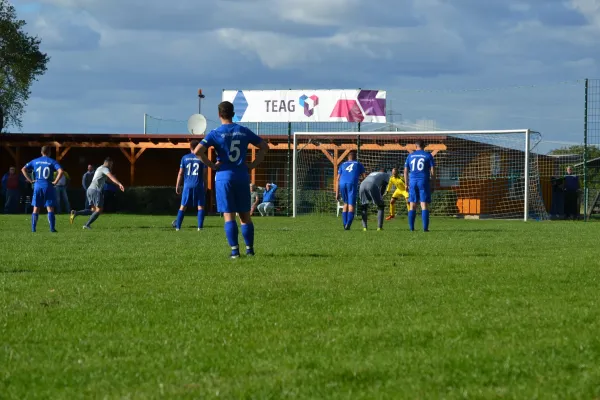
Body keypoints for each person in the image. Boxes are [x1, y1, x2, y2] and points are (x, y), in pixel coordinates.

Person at [194, 101, 269, 258]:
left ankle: (235, 251)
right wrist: (253, 164)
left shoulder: (215, 133)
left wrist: (211, 165)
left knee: (229, 215)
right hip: (242, 176)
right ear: (233, 114)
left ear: (219, 114)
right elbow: (264, 146)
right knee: (245, 215)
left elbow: (197, 151)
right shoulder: (243, 131)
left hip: (224, 177)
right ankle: (250, 250)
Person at [70, 157, 124, 229]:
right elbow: (111, 177)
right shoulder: (105, 168)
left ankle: (76, 213)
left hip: (90, 190)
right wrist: (119, 183)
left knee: (93, 210)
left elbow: (108, 180)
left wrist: (116, 184)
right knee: (99, 210)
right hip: (96, 190)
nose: (112, 166)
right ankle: (86, 225)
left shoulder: (99, 168)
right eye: (111, 164)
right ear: (108, 163)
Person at [21, 146, 64, 232]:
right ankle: (52, 229)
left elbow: (23, 169)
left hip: (37, 185)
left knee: (36, 208)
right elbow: (61, 171)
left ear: (41, 152)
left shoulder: (35, 161)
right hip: (48, 186)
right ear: (49, 152)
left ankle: (33, 229)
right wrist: (55, 181)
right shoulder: (52, 161)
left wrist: (30, 180)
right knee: (50, 207)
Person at [173, 140, 207, 231]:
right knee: (200, 206)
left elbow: (180, 173)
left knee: (183, 206)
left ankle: (178, 227)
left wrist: (177, 185)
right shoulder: (202, 158)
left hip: (187, 186)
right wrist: (206, 186)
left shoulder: (185, 158)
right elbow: (204, 175)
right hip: (198, 185)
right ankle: (200, 227)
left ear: (190, 147)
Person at [404, 139, 435, 232]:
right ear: (424, 146)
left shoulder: (410, 155)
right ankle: (425, 229)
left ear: (415, 146)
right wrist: (433, 183)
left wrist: (406, 183)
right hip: (423, 181)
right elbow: (432, 170)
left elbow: (405, 171)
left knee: (412, 205)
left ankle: (411, 228)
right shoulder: (428, 155)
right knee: (424, 205)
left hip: (413, 181)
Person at [336, 152, 365, 230]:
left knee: (345, 203)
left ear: (348, 158)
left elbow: (337, 179)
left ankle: (344, 224)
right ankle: (348, 224)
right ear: (355, 158)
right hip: (351, 183)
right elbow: (364, 178)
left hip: (342, 183)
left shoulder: (342, 164)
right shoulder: (358, 164)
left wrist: (336, 192)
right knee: (351, 205)